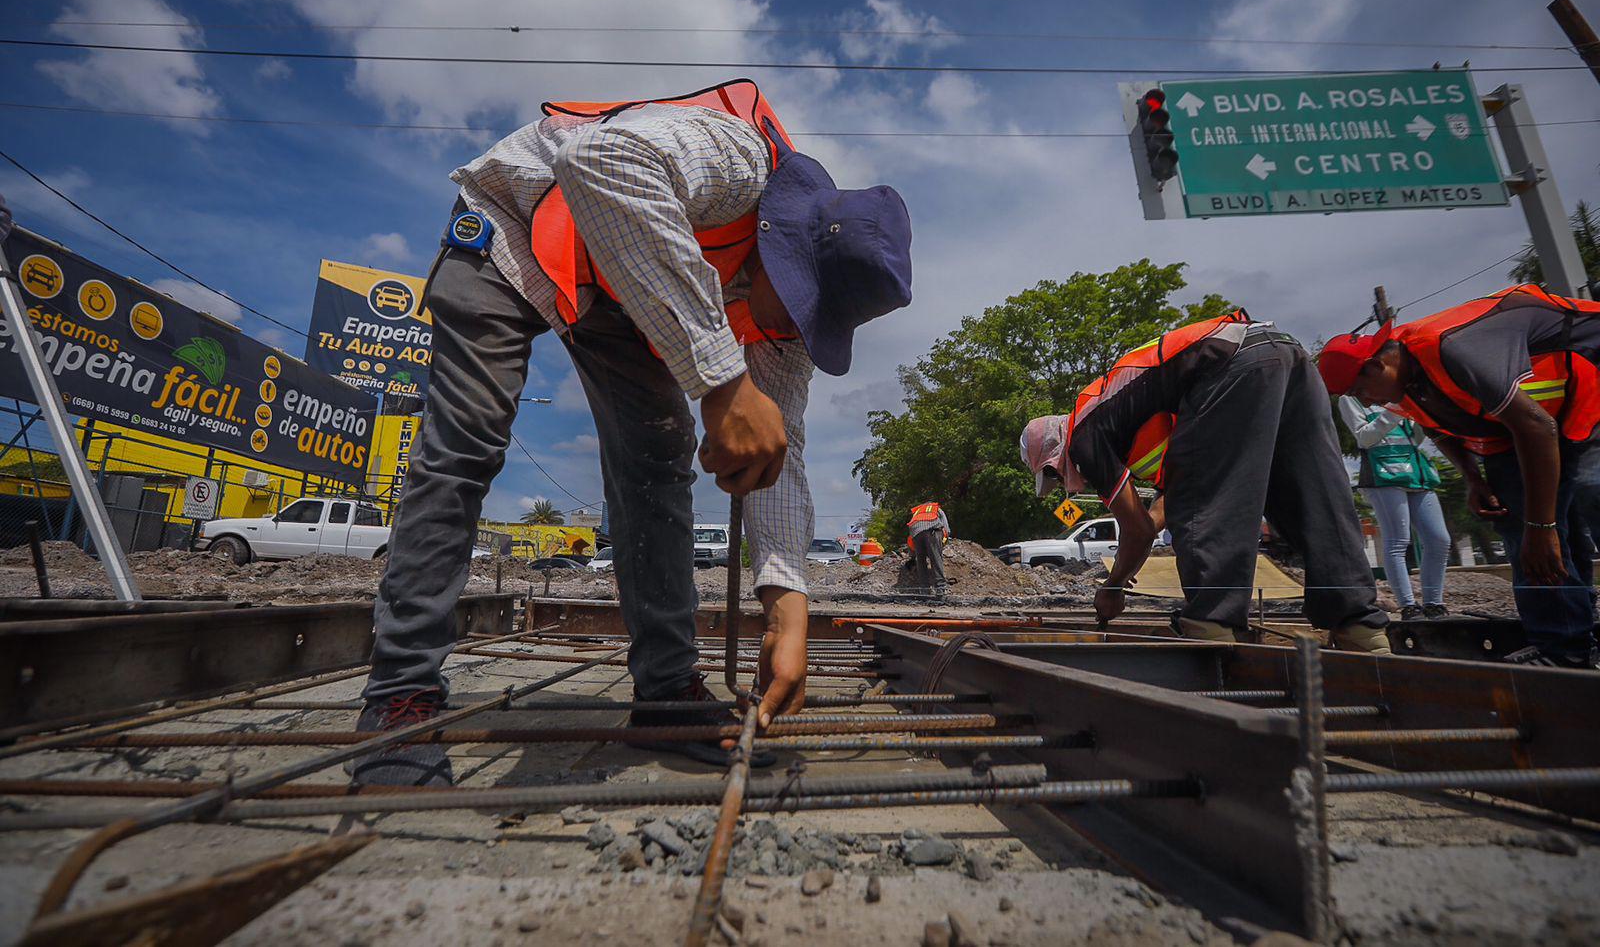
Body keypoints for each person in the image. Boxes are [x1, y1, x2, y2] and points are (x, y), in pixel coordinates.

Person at [354, 80, 913, 783]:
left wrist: (787, 607)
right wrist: (720, 381)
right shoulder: (736, 159)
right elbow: (597, 160)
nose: (788, 330)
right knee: (465, 444)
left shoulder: (783, 337)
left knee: (656, 458)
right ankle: (400, 695)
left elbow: (781, 455)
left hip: (619, 288)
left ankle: (665, 692)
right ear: (785, 247)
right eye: (798, 306)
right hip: (513, 228)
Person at [1021, 312, 1390, 650]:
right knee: (1312, 497)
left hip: (1231, 366)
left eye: (1053, 474)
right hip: (1285, 357)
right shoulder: (1129, 421)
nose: (1070, 483)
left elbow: (1144, 528)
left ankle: (1210, 623)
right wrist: (1133, 551)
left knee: (1214, 508)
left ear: (1056, 453)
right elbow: (1169, 502)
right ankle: (1359, 625)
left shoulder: (1084, 435)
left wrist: (1113, 585)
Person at [1317, 284, 1600, 668]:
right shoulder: (1402, 386)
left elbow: (1538, 429)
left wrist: (1542, 526)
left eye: (1359, 388)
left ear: (1377, 364)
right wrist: (1474, 479)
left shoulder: (1453, 349)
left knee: (1586, 501)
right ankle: (1566, 644)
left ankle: (1566, 650)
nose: (1364, 400)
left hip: (1586, 391)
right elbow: (1438, 426)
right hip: (1525, 429)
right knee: (1522, 532)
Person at [1337, 396, 1451, 620]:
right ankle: (1408, 605)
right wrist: (1396, 410)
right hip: (1383, 475)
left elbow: (1414, 439)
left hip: (1416, 473)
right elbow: (1365, 437)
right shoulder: (1350, 399)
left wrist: (1419, 415)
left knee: (1439, 540)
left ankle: (1433, 603)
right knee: (1397, 541)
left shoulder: (1399, 396)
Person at [906, 501, 950, 594]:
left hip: (915, 533)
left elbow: (910, 537)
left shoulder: (917, 511)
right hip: (932, 530)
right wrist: (943, 542)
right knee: (936, 558)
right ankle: (940, 588)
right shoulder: (937, 509)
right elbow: (946, 527)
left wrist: (912, 556)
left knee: (921, 561)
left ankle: (924, 589)